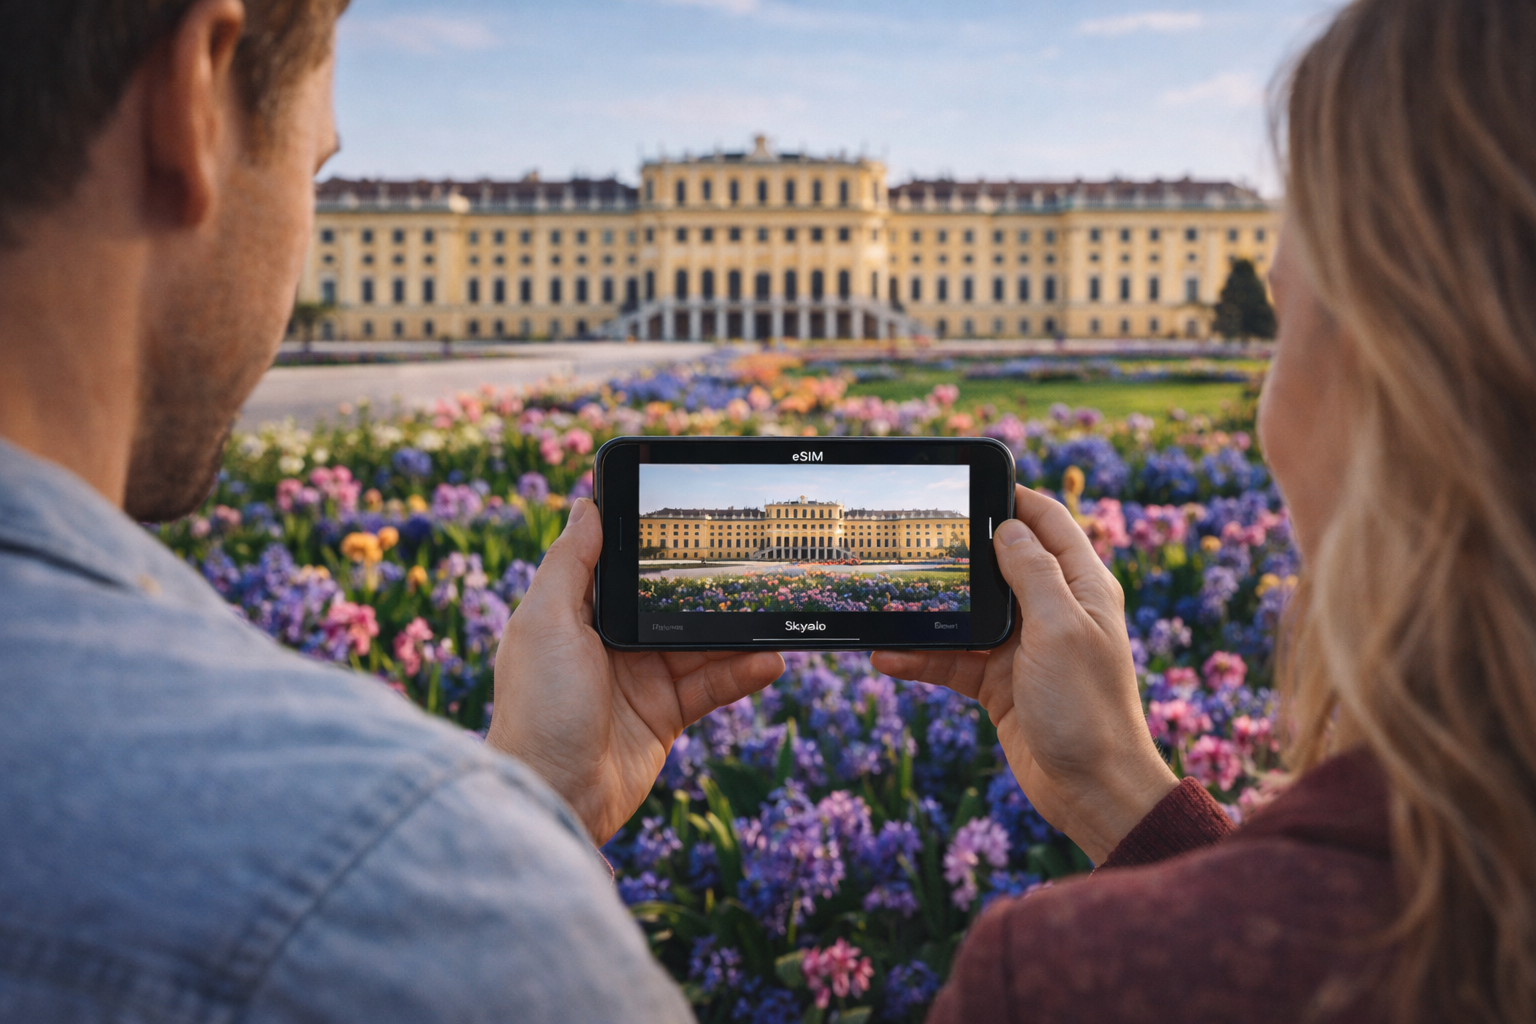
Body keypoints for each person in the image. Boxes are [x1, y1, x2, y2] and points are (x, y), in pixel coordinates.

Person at [0, 2, 784, 1020]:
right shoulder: (391, 893)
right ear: (195, 101)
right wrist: (482, 862)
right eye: (315, 166)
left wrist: (538, 798)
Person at [877, 0, 1536, 1020]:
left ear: (1393, 371)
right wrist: (1115, 786)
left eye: (1282, 317)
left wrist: (577, 831)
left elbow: (1282, 951)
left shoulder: (1058, 983)